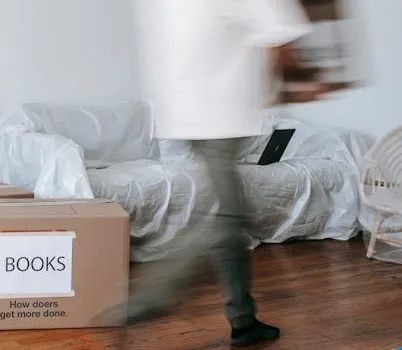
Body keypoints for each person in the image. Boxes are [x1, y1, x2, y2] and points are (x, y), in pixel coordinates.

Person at [100, 0, 330, 347]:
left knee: (229, 222)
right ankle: (151, 297)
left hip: (189, 112)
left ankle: (243, 319)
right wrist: (307, 79)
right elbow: (281, 34)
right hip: (218, 117)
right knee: (230, 216)